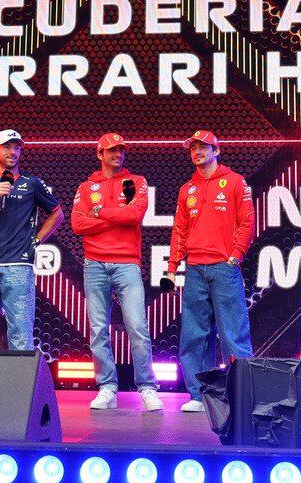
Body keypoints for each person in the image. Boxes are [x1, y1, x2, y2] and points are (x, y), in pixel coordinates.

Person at [71, 133, 162, 412]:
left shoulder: (136, 181)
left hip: (127, 264)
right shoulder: (87, 186)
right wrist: (113, 217)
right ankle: (107, 387)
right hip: (94, 263)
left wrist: (98, 214)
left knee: (137, 327)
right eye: (111, 150)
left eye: (121, 150)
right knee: (99, 329)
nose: (117, 154)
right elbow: (77, 224)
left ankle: (147, 387)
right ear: (99, 154)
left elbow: (135, 216)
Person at [165, 130, 255, 412]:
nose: (197, 152)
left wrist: (234, 257)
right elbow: (180, 230)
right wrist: (172, 267)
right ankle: (198, 395)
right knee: (194, 334)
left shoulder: (235, 182)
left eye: (203, 147)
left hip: (223, 269)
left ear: (217, 150)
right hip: (194, 269)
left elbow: (248, 222)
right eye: (192, 148)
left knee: (233, 334)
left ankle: (242, 394)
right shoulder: (186, 189)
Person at [0, 129, 64, 350]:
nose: (13, 151)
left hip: (19, 266)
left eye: (17, 147)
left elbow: (58, 213)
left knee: (21, 334)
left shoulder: (32, 183)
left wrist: (36, 241)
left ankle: (21, 385)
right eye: (7, 146)